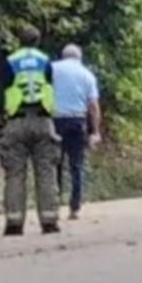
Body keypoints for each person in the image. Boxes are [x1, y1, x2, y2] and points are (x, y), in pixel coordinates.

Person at [0, 26, 60, 236]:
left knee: (15, 174)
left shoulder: (10, 61)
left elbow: (6, 88)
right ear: (38, 41)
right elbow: (50, 85)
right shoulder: (45, 61)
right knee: (46, 171)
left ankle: (14, 223)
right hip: (43, 120)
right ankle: (49, 220)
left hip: (16, 120)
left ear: (19, 41)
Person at [53, 43, 101, 220]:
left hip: (55, 120)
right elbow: (93, 106)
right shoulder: (87, 75)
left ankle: (53, 206)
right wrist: (95, 131)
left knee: (54, 164)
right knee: (77, 165)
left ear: (63, 56)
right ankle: (75, 207)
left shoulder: (51, 69)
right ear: (79, 58)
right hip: (77, 121)